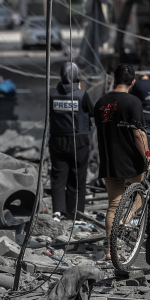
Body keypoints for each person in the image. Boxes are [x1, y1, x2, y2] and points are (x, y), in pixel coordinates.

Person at [94, 64, 148, 260]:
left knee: (112, 206)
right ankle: (129, 217)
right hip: (132, 161)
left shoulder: (100, 103)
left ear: (113, 80)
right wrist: (147, 156)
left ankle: (110, 251)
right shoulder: (133, 102)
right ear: (133, 82)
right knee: (148, 188)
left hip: (109, 161)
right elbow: (138, 134)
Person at [49, 62, 95, 222]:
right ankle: (75, 213)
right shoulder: (82, 94)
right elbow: (92, 111)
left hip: (56, 141)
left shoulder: (52, 94)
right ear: (76, 77)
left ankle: (58, 211)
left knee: (58, 176)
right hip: (79, 142)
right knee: (78, 178)